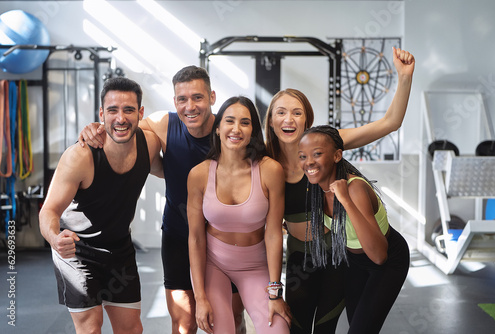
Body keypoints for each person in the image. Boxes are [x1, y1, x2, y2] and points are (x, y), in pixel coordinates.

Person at [78, 66, 246, 334]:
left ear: (212, 97)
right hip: (179, 236)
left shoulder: (230, 129)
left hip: (225, 239)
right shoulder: (163, 124)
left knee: (230, 320)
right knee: (183, 323)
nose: (190, 106)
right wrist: (94, 128)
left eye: (198, 97)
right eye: (182, 99)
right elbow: (121, 129)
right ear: (174, 101)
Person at [264, 47, 415, 333]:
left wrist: (404, 77)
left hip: (337, 251)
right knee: (295, 326)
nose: (288, 119)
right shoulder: (265, 163)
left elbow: (389, 123)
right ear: (271, 121)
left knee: (326, 327)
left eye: (297, 113)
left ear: (307, 119)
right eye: (280, 113)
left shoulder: (328, 142)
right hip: (300, 255)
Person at [39, 77, 162, 334]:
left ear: (140, 113)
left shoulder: (149, 144)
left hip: (120, 250)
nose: (120, 118)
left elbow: (175, 169)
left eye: (129, 110)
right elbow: (48, 210)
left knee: (131, 329)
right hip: (78, 252)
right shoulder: (80, 156)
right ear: (101, 114)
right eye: (112, 110)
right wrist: (54, 237)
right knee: (91, 329)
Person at [188, 96, 291, 333]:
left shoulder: (269, 170)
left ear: (253, 129)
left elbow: (274, 233)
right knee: (222, 329)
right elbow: (195, 238)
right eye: (229, 121)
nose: (236, 129)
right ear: (217, 127)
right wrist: (200, 297)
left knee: (278, 329)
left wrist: (275, 292)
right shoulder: (199, 174)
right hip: (214, 264)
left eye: (245, 122)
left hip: (255, 264)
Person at [298, 125, 410, 334]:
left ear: (337, 155)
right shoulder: (316, 189)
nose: (309, 162)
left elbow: (378, 256)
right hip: (355, 262)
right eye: (302, 156)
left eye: (317, 154)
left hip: (388, 261)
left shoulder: (354, 189)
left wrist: (346, 201)